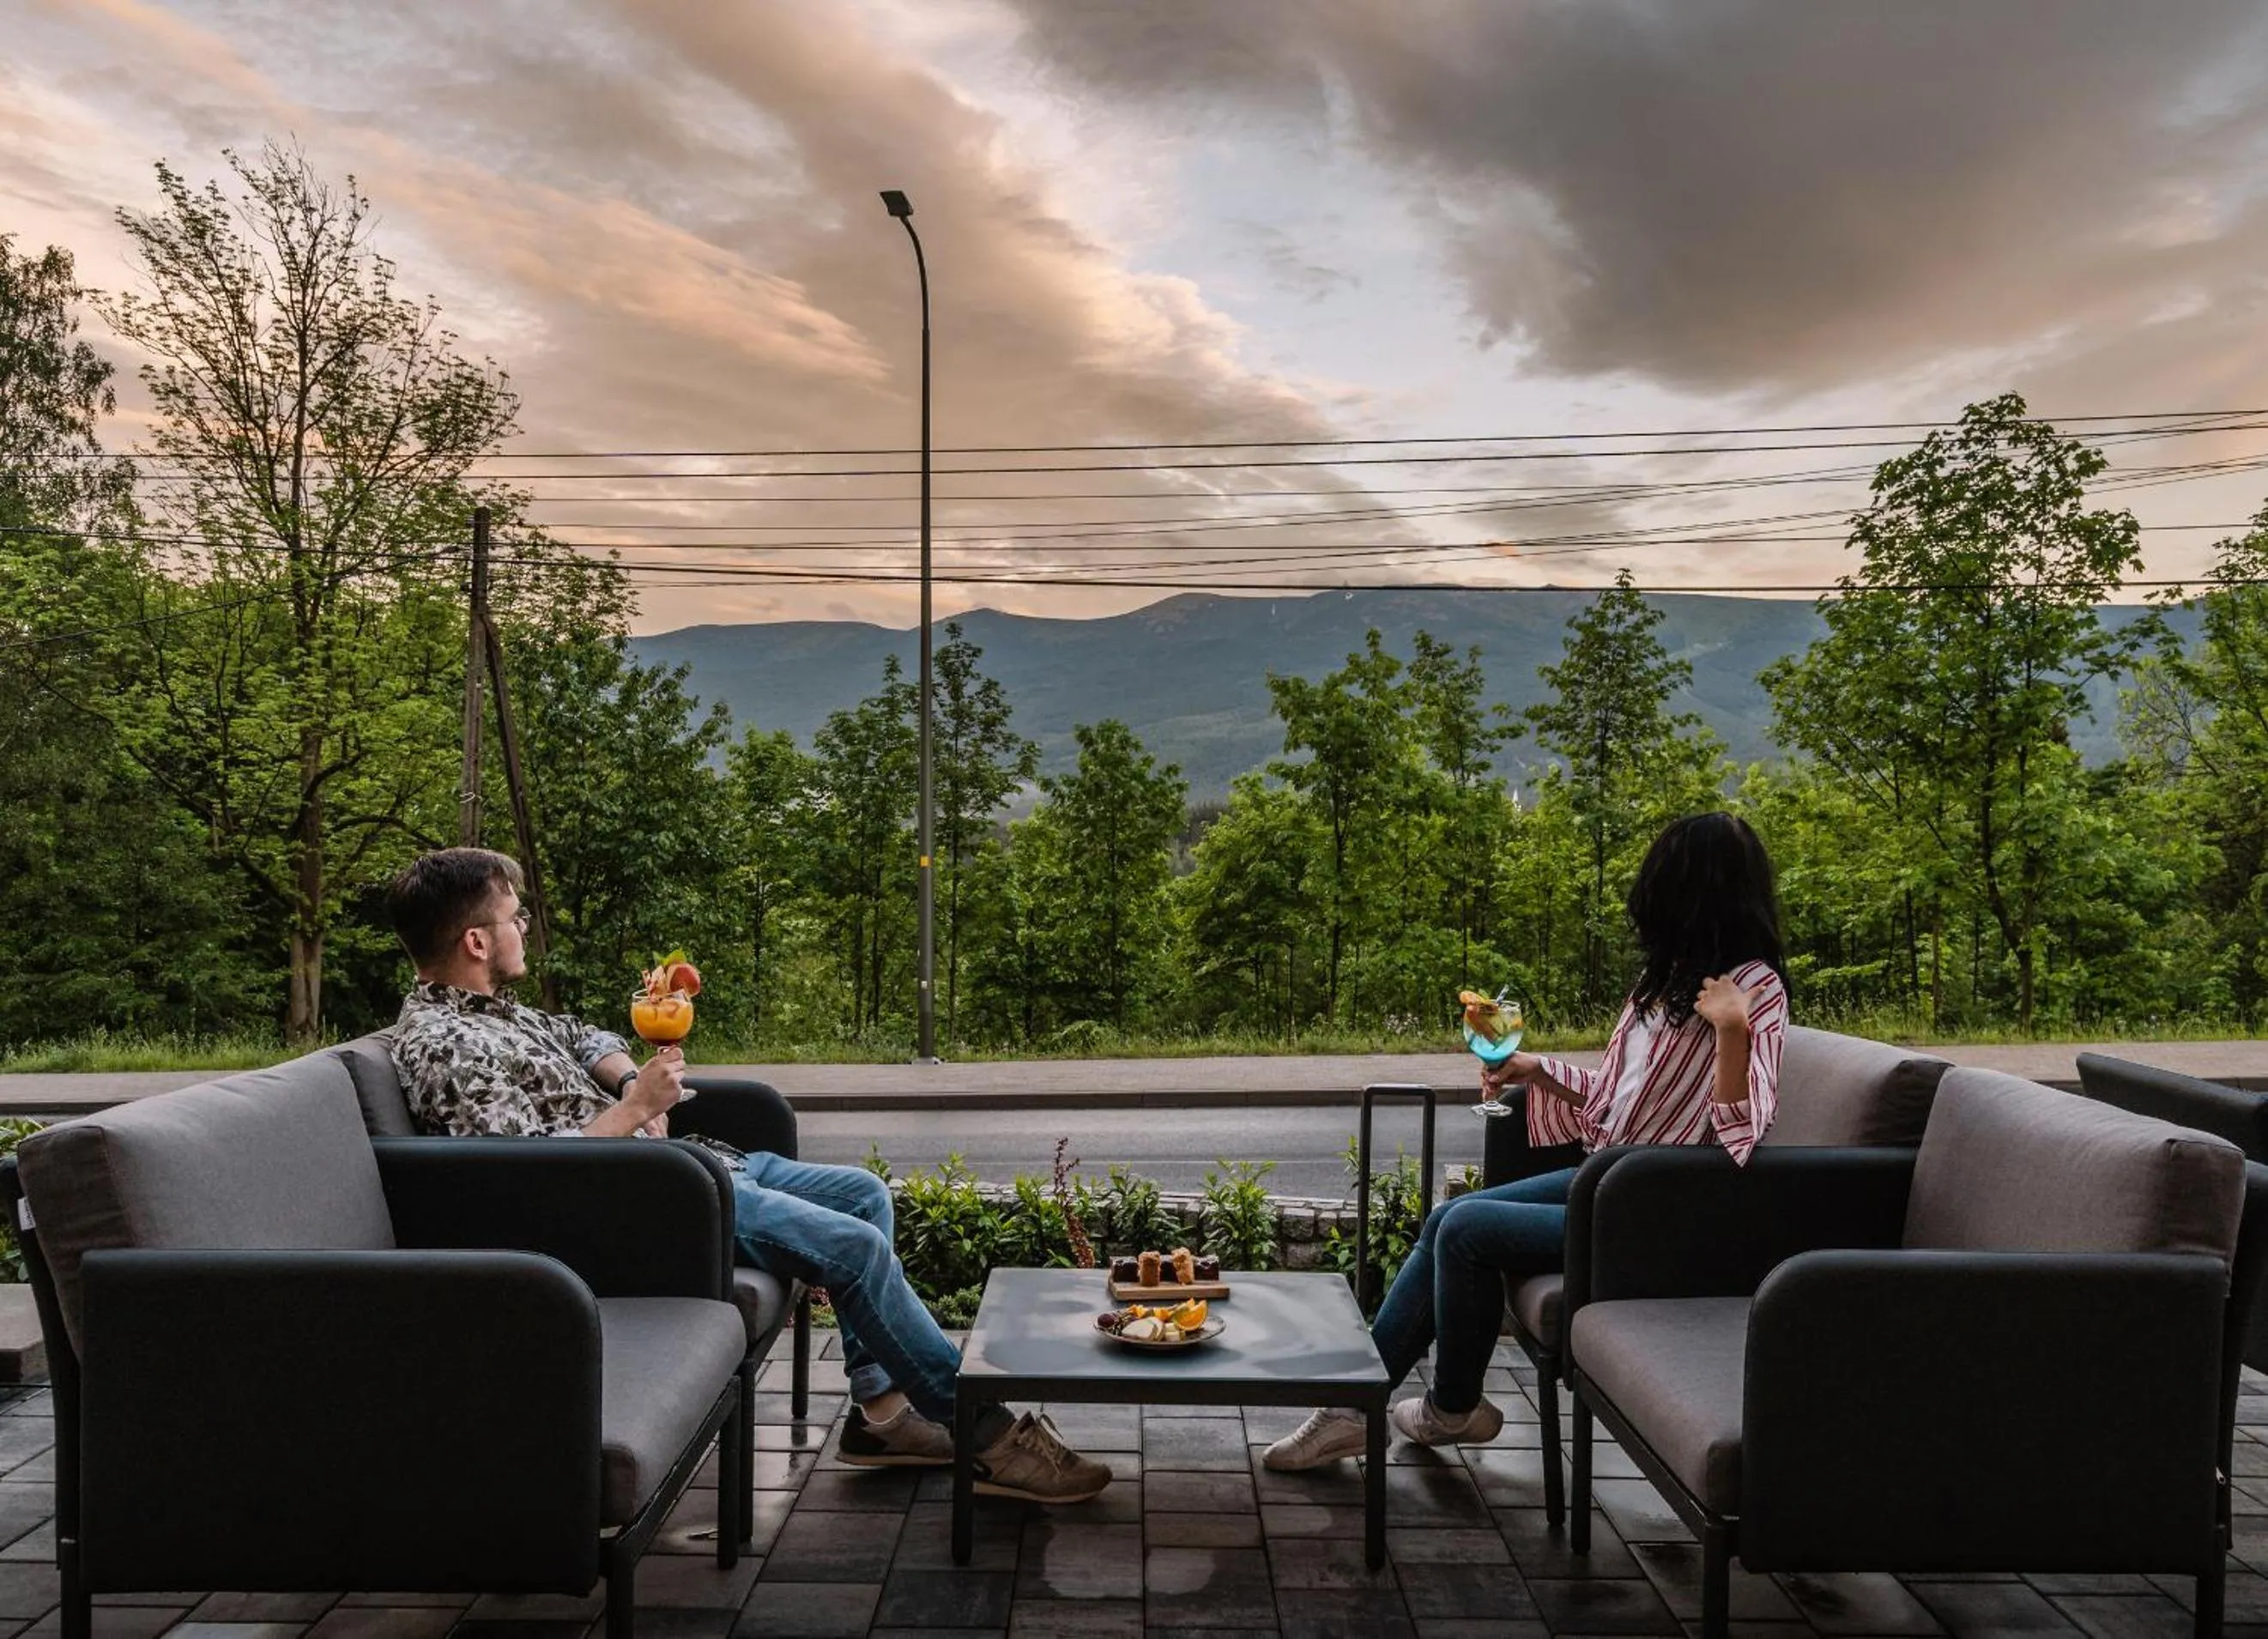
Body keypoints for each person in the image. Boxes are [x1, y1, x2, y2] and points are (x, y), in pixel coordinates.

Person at [382, 846, 1111, 1505]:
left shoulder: (498, 1013)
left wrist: (628, 1074)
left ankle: (881, 1420)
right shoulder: (447, 1043)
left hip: (681, 1170)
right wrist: (633, 1111)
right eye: (515, 916)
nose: (525, 927)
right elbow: (519, 1174)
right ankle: (985, 1433)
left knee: (863, 1193)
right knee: (852, 1247)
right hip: (644, 1209)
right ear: (476, 941)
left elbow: (583, 1034)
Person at [1265, 811, 1789, 1470]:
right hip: (1607, 1179)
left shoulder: (1754, 995)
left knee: (1467, 1231)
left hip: (1658, 1210)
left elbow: (1743, 1133)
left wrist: (1732, 1033)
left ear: (1693, 892)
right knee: (1450, 1216)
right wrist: (1535, 1069)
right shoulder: (1666, 982)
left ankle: (1439, 1408)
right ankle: (1367, 1408)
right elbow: (1618, 1101)